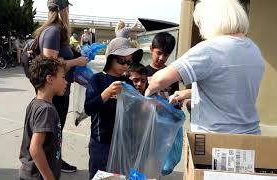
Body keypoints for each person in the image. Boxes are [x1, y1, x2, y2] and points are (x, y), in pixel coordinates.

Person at [145, 0, 265, 134]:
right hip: (250, 136)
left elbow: (159, 80)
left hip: (214, 139)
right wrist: (189, 93)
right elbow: (229, 90)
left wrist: (146, 94)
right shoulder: (253, 49)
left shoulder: (210, 49)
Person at [33, 0, 88, 172]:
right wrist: (76, 61)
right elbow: (50, 63)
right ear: (63, 10)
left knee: (54, 129)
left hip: (59, 89)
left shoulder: (53, 31)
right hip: (55, 92)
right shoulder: (53, 31)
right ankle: (50, 164)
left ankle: (54, 160)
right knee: (52, 130)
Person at [84, 37, 143, 179]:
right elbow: (88, 108)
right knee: (100, 176)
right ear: (110, 58)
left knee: (119, 176)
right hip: (101, 142)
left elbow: (135, 110)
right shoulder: (97, 79)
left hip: (123, 142)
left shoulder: (127, 82)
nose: (126, 65)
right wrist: (106, 94)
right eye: (122, 60)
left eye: (129, 62)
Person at [19, 56, 67, 180]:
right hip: (38, 176)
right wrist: (49, 177)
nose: (65, 82)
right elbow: (35, 148)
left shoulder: (35, 103)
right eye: (63, 77)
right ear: (50, 79)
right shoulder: (46, 110)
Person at [146, 32, 179, 99]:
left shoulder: (172, 74)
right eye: (159, 53)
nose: (161, 58)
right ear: (151, 49)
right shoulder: (143, 72)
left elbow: (176, 100)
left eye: (165, 55)